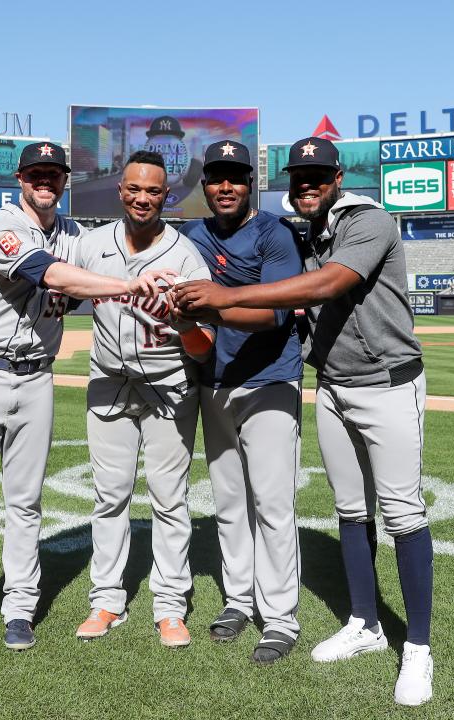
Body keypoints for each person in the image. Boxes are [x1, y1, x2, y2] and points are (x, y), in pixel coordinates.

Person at [174, 137, 436, 706]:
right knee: (350, 510)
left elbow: (327, 285)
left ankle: (418, 648)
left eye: (318, 176)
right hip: (335, 387)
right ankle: (365, 624)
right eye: (300, 177)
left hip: (389, 382)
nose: (308, 185)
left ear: (338, 177)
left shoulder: (369, 221)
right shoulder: (306, 232)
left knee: (403, 513)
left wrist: (224, 295)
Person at [0, 142, 178, 665]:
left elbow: (115, 251)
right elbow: (52, 275)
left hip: (36, 378)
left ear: (64, 180)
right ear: (20, 178)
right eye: (36, 173)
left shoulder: (75, 235)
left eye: (54, 174)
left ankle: (20, 608)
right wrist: (133, 284)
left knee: (25, 503)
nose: (45, 182)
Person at [71, 150, 215, 650]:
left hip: (169, 388)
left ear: (166, 197)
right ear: (120, 190)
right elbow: (58, 288)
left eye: (153, 191)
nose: (143, 198)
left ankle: (170, 607)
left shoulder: (185, 256)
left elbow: (206, 344)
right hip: (109, 385)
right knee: (109, 497)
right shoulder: (89, 246)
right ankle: (106, 600)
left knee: (169, 500)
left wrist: (184, 322)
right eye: (134, 188)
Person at [179, 140, 305, 664]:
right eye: (216, 178)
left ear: (249, 182)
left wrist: (215, 304)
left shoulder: (274, 234)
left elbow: (276, 314)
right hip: (215, 382)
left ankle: (279, 619)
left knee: (272, 505)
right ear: (205, 185)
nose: (225, 187)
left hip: (270, 381)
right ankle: (238, 599)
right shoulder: (192, 235)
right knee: (229, 504)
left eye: (235, 177)